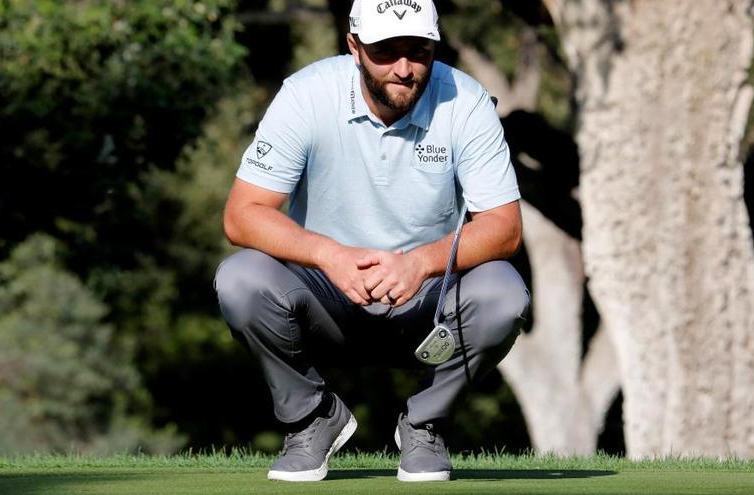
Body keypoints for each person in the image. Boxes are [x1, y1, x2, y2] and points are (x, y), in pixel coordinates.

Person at [214, 0, 529, 483]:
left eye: (418, 51)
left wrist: (420, 263)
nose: (404, 69)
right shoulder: (305, 94)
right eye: (386, 51)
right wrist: (330, 255)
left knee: (504, 294)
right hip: (324, 297)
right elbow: (242, 216)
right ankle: (311, 419)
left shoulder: (465, 102)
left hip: (428, 301)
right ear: (354, 46)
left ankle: (425, 425)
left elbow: (505, 227)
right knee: (240, 280)